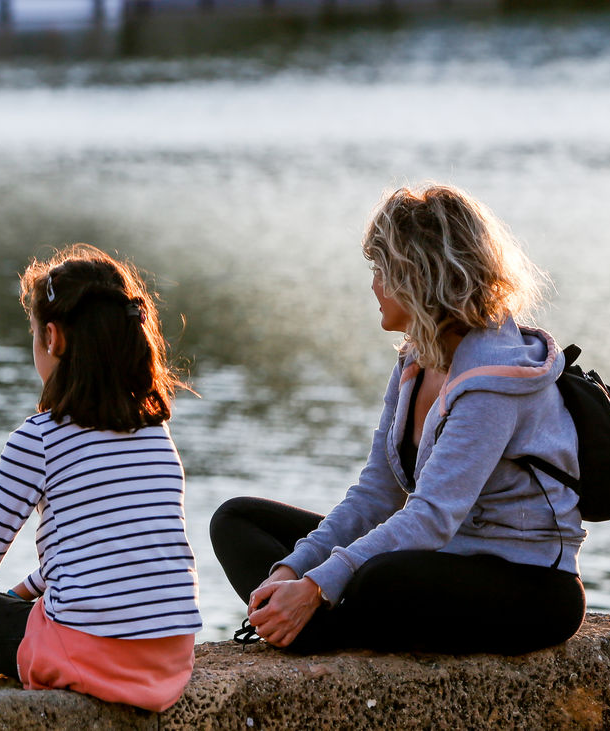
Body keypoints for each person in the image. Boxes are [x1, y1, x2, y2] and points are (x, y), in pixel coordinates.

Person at [211, 184, 586, 655]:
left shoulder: (495, 378)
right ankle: (304, 618)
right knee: (237, 520)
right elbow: (377, 493)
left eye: (381, 269)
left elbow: (431, 517)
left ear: (419, 275)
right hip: (440, 560)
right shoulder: (416, 359)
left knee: (379, 578)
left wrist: (316, 586)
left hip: (530, 585)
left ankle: (315, 624)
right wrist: (293, 570)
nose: (374, 284)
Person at [0, 244, 201, 712]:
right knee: (30, 607)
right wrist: (21, 593)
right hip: (170, 659)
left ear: (52, 337)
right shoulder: (155, 432)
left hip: (88, 658)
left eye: (33, 334)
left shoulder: (39, 438)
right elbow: (109, 552)